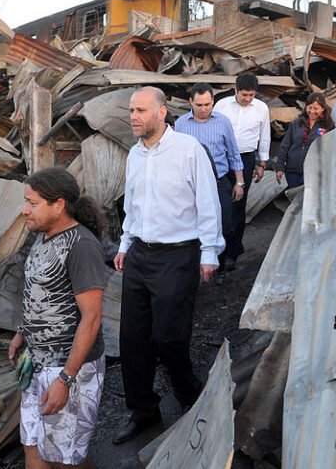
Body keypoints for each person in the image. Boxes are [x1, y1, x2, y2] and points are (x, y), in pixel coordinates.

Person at [112, 86, 224, 444]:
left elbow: (208, 202)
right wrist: (125, 244)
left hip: (177, 255)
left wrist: (210, 251)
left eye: (141, 110)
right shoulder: (134, 154)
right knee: (133, 338)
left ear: (162, 112)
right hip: (139, 254)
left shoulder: (189, 150)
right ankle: (144, 410)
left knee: (169, 337)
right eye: (132, 110)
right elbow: (131, 206)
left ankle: (190, 395)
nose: (134, 117)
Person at [8, 167, 108, 469]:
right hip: (36, 362)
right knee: (33, 448)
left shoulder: (82, 246)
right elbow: (40, 292)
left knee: (67, 460)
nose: (25, 211)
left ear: (59, 205)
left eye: (33, 203)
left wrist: (66, 379)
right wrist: (23, 331)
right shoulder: (42, 237)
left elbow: (92, 318)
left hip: (68, 368)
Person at [175, 82, 244, 286]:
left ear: (213, 101)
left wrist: (239, 182)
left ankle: (219, 266)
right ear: (190, 102)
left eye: (207, 104)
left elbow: (233, 153)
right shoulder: (181, 124)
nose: (204, 109)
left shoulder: (223, 122)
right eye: (199, 105)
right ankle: (195, 268)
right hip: (191, 186)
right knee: (192, 226)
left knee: (224, 225)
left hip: (219, 181)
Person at [213, 73, 271, 271]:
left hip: (246, 159)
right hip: (222, 159)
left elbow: (265, 136)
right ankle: (217, 250)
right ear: (235, 90)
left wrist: (262, 163)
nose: (247, 99)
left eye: (251, 95)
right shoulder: (221, 106)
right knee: (221, 204)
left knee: (239, 205)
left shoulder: (261, 108)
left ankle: (234, 251)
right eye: (244, 94)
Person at [275, 93, 335, 188]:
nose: (312, 111)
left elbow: (330, 151)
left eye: (316, 108)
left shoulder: (328, 126)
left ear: (323, 109)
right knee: (293, 194)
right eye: (309, 108)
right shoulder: (296, 123)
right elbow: (285, 145)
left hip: (313, 172)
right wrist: (279, 167)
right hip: (292, 171)